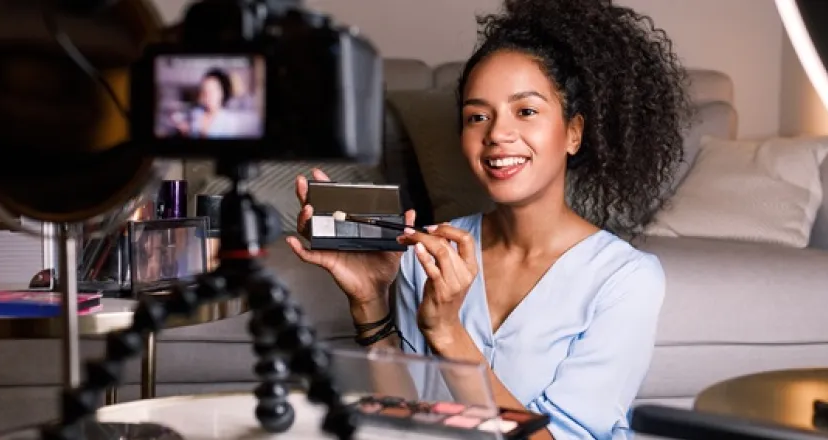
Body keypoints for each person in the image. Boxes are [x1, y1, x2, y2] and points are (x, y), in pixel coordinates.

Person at [287, 0, 695, 438]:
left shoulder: (624, 279)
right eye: (477, 116)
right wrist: (369, 303)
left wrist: (448, 332)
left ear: (574, 132)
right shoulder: (425, 254)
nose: (497, 134)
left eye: (526, 111)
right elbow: (404, 419)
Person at [171, 68, 243, 138]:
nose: (208, 95)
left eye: (213, 90)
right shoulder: (196, 113)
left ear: (222, 92)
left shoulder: (229, 121)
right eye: (205, 90)